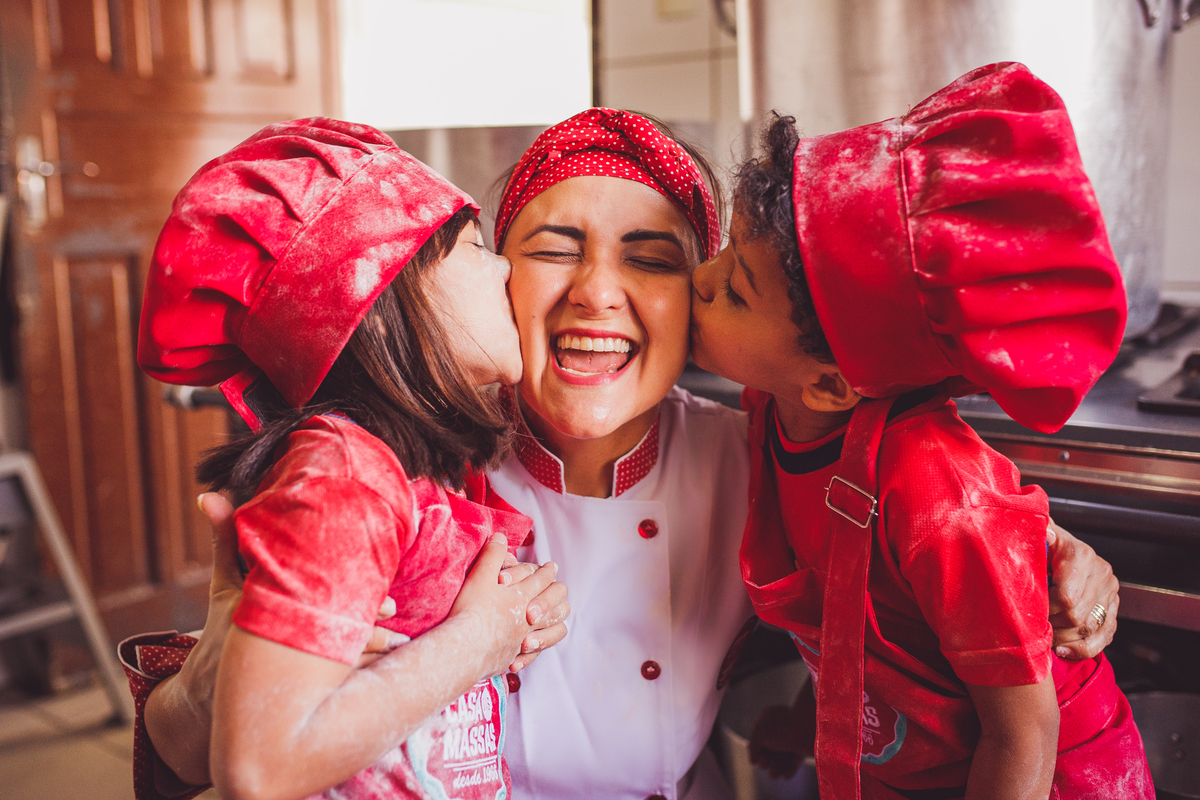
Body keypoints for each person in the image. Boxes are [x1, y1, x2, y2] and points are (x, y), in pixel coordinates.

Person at [127, 108, 1123, 800]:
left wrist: (1057, 549)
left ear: (700, 305)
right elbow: (198, 762)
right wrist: (196, 698)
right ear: (481, 278)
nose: (599, 292)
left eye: (652, 258)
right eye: (555, 246)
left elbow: (917, 489)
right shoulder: (408, 463)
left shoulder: (753, 458)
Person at [690, 64, 1153, 800]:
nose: (699, 281)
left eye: (735, 291)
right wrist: (818, 714)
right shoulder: (775, 413)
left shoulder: (939, 499)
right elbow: (871, 620)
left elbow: (1023, 732)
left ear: (833, 383)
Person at [132, 117, 570, 800]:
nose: (507, 268)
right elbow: (260, 767)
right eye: (476, 247)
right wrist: (477, 642)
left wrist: (505, 628)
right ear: (382, 296)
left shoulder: (411, 474)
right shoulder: (343, 474)